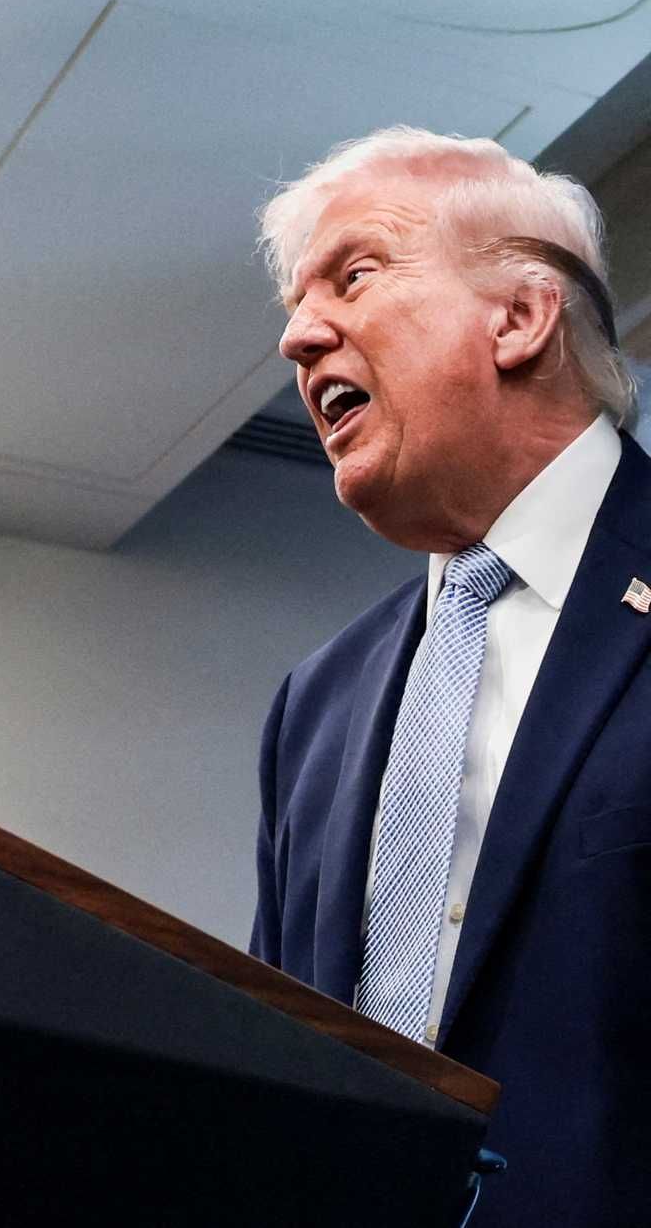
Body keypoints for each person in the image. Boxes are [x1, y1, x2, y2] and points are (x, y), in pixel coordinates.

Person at [248, 126, 646, 1228]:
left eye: (354, 276)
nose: (296, 335)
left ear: (518, 318)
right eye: (296, 302)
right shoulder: (316, 706)